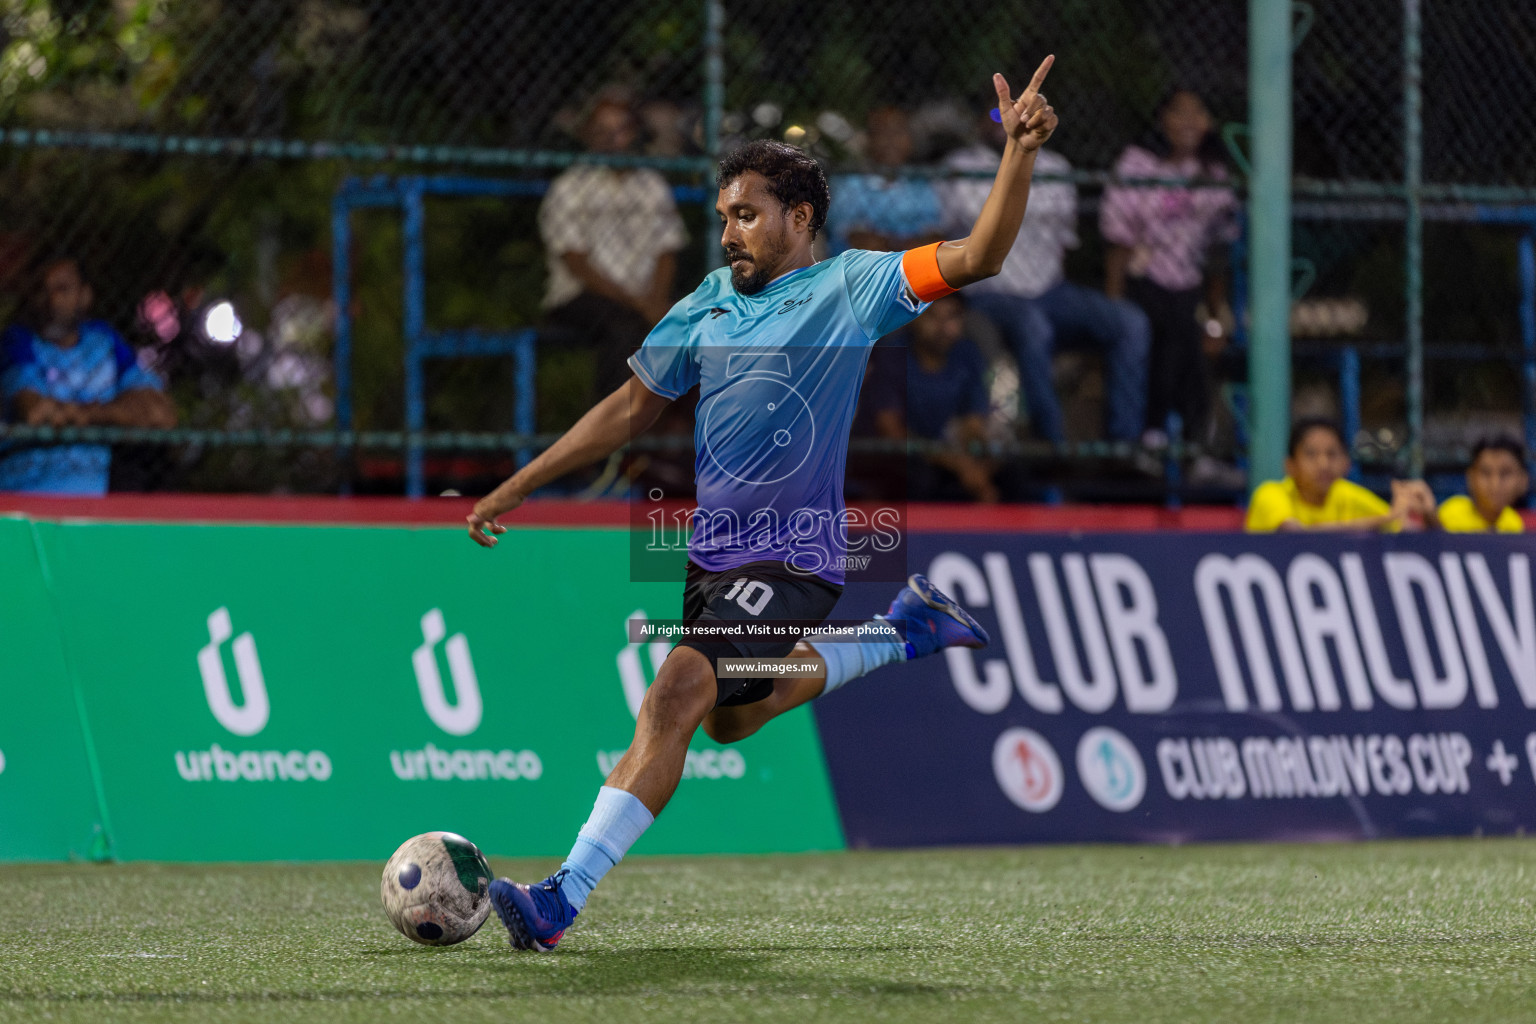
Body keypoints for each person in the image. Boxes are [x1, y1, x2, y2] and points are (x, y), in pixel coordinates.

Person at [466, 57, 1059, 952]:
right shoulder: (706, 300)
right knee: (733, 718)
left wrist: (1014, 154)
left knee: (676, 692)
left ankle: (559, 898)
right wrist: (520, 482)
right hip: (710, 558)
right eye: (722, 219)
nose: (730, 234)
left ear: (800, 217)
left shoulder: (852, 288)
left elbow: (980, 256)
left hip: (797, 557)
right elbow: (629, 409)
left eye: (746, 216)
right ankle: (906, 631)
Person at [940, 111, 1149, 443]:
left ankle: (1125, 444)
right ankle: (1052, 442)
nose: (1005, 118)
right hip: (987, 291)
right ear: (981, 119)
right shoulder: (961, 167)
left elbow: (1062, 244)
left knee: (1130, 322)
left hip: (1050, 290)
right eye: (996, 111)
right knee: (1033, 324)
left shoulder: (1056, 168)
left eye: (1018, 109)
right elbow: (941, 236)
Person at [1101, 88, 1238, 448]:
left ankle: (1178, 436)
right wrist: (1114, 303)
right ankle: (1170, 433)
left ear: (1209, 123)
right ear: (1162, 119)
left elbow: (1217, 254)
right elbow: (1118, 242)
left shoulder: (1212, 174)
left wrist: (1215, 317)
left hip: (1188, 283)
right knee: (1166, 326)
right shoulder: (1137, 164)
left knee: (1188, 333)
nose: (1189, 120)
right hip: (1142, 277)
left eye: (1198, 112)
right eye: (1179, 112)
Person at [539, 95, 689, 404]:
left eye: (620, 129)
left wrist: (657, 302)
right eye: (601, 130)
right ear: (587, 136)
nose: (611, 139)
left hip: (645, 297)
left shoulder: (651, 185)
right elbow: (576, 263)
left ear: (635, 133)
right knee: (623, 328)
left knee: (704, 324)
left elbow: (667, 252)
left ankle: (690, 440)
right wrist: (641, 304)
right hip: (580, 296)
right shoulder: (571, 186)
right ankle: (610, 440)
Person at [0, 255, 176, 495]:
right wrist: (116, 413)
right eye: (42, 290)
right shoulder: (18, 340)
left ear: (84, 295)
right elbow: (34, 412)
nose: (52, 300)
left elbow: (159, 414)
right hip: (24, 494)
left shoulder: (103, 340)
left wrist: (87, 414)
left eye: (63, 289)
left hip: (89, 499)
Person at [865, 293, 1009, 502]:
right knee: (919, 477)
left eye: (951, 317)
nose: (943, 327)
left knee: (1010, 473)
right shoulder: (892, 354)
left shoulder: (967, 353)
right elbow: (891, 431)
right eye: (933, 316)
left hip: (949, 456)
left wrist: (980, 468)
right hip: (901, 458)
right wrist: (957, 464)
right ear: (915, 319)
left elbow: (973, 424)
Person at [1245, 417, 1422, 532]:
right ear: (1290, 465)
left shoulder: (1345, 493)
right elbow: (1296, 534)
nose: (1323, 464)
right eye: (1311, 454)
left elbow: (1408, 529)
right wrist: (1384, 519)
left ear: (1346, 464)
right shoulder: (1270, 494)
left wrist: (1425, 513)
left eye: (1332, 454)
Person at [825, 106, 944, 254]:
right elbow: (858, 240)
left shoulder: (919, 183)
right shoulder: (849, 182)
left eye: (898, 132)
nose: (891, 141)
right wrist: (903, 248)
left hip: (910, 265)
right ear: (868, 140)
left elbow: (934, 237)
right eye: (883, 133)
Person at [1435, 435, 1528, 532]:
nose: (1495, 484)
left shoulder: (1513, 524)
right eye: (1486, 473)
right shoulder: (1451, 514)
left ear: (1522, 480)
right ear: (1471, 477)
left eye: (1505, 473)